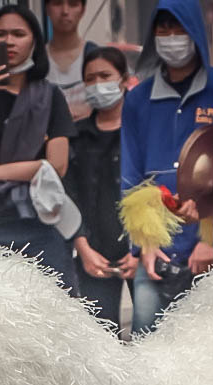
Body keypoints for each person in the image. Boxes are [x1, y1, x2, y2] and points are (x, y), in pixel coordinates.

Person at [120, 0, 213, 334]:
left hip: (208, 248)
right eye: (163, 29)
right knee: (145, 338)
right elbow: (131, 175)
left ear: (195, 31)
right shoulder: (139, 99)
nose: (171, 37)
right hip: (156, 247)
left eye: (179, 27)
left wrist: (209, 239)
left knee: (206, 344)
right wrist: (144, 245)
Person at [0, 5, 77, 286]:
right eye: (1, 34)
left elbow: (57, 165)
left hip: (41, 219)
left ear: (34, 41)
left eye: (19, 34)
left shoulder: (50, 96)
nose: (9, 41)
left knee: (54, 313)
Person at [64, 46, 136, 332]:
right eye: (90, 78)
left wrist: (142, 251)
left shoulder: (141, 129)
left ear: (124, 79)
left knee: (153, 339)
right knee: (101, 339)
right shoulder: (76, 135)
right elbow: (68, 196)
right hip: (93, 256)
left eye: (105, 76)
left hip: (141, 253)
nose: (97, 84)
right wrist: (83, 248)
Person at [45, 0, 96, 121]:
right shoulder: (36, 60)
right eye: (57, 4)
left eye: (73, 4)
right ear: (47, 9)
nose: (65, 11)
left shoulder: (96, 57)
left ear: (83, 10)